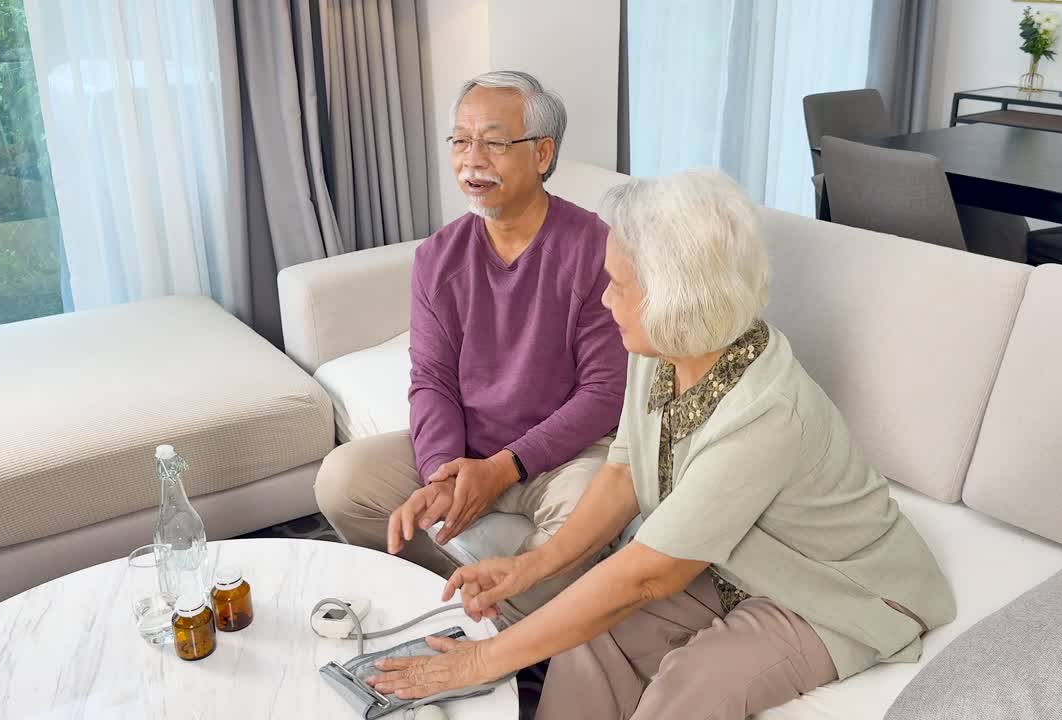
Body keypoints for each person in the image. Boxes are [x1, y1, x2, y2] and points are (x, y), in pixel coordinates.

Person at [363, 169, 956, 719]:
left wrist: (478, 662)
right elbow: (624, 470)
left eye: (618, 285)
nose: (604, 299)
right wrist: (531, 566)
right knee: (589, 642)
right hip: (728, 562)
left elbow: (647, 576)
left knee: (689, 688)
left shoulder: (765, 415)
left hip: (831, 594)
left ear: (675, 296)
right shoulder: (662, 352)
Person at [313, 71, 627, 621]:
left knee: (584, 521)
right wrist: (442, 472)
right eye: (460, 140)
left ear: (542, 153)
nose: (471, 159)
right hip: (469, 449)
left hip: (565, 455)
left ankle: (511, 634)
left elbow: (605, 392)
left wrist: (503, 469)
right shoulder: (439, 256)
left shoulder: (595, 247)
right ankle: (465, 607)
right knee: (343, 481)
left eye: (494, 141)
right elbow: (431, 378)